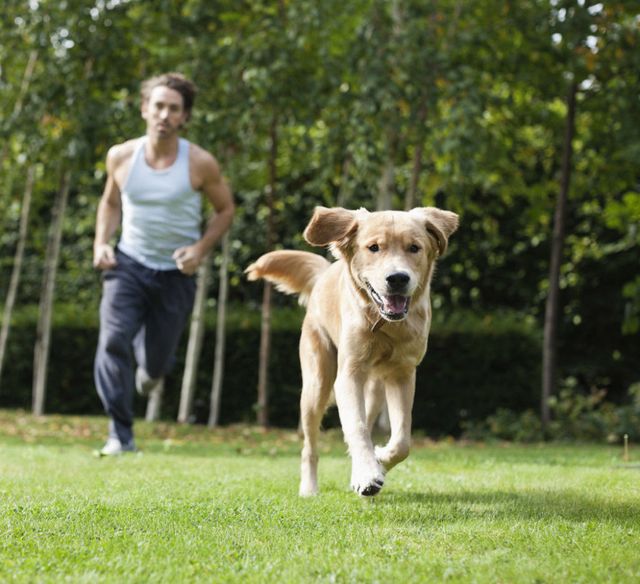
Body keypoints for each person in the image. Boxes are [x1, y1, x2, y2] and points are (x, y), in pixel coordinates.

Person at [93, 72, 234, 455]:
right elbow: (110, 202)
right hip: (128, 264)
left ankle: (151, 372)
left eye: (174, 109)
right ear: (144, 109)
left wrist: (200, 250)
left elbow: (224, 210)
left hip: (176, 273)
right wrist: (101, 243)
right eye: (158, 106)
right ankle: (120, 435)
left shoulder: (200, 162)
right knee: (112, 341)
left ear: (184, 117)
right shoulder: (121, 156)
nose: (164, 115)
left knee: (155, 361)